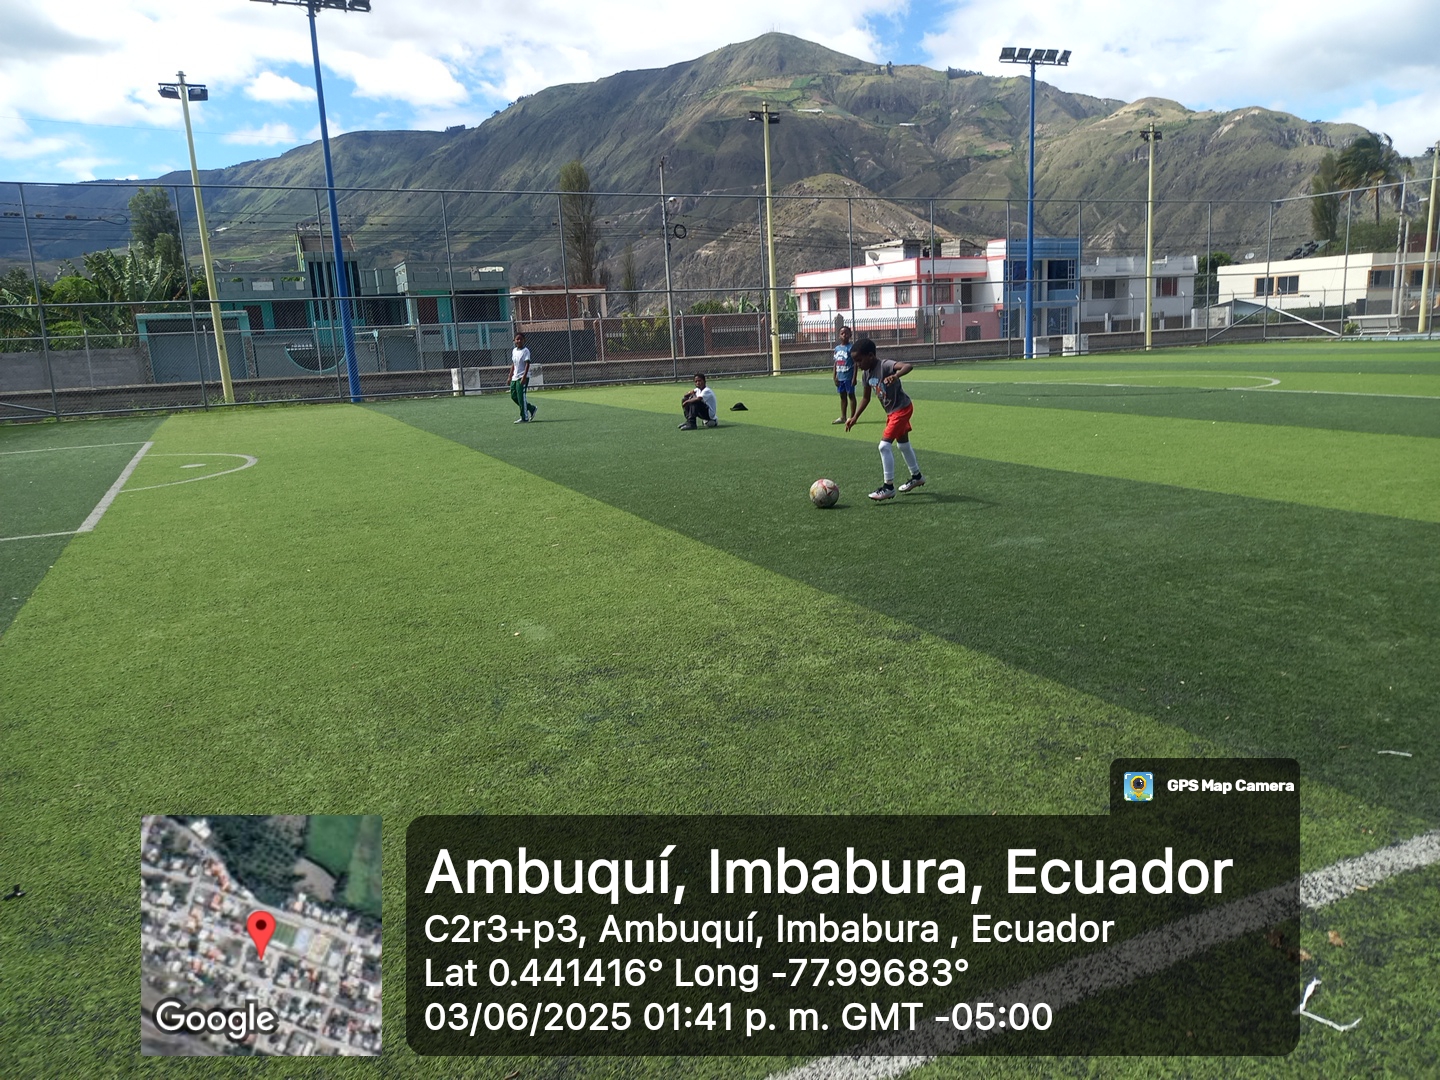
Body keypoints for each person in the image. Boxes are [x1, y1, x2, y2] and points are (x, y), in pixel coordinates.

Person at [844, 337, 925, 501]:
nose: (857, 365)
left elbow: (908, 366)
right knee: (903, 445)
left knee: (883, 446)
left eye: (859, 360)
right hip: (893, 412)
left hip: (901, 409)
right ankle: (917, 476)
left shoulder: (885, 365)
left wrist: (896, 375)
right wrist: (854, 417)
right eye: (855, 362)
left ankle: (888, 487)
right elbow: (866, 398)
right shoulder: (866, 374)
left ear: (871, 356)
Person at [509, 331, 537, 423]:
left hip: (522, 376)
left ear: (524, 340)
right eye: (517, 339)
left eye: (521, 339)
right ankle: (531, 408)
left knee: (521, 397)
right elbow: (513, 364)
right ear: (514, 341)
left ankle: (524, 417)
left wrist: (524, 377)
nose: (519, 341)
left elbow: (527, 364)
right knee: (514, 396)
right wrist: (510, 376)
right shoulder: (514, 351)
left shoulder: (525, 351)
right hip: (515, 377)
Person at [832, 325, 857, 424]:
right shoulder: (837, 349)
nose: (844, 335)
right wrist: (834, 376)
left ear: (850, 335)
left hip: (848, 376)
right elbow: (836, 363)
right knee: (842, 396)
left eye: (846, 333)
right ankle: (843, 417)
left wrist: (854, 378)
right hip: (840, 376)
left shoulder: (851, 348)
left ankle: (852, 417)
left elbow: (855, 364)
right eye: (842, 333)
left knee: (851, 395)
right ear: (839, 335)